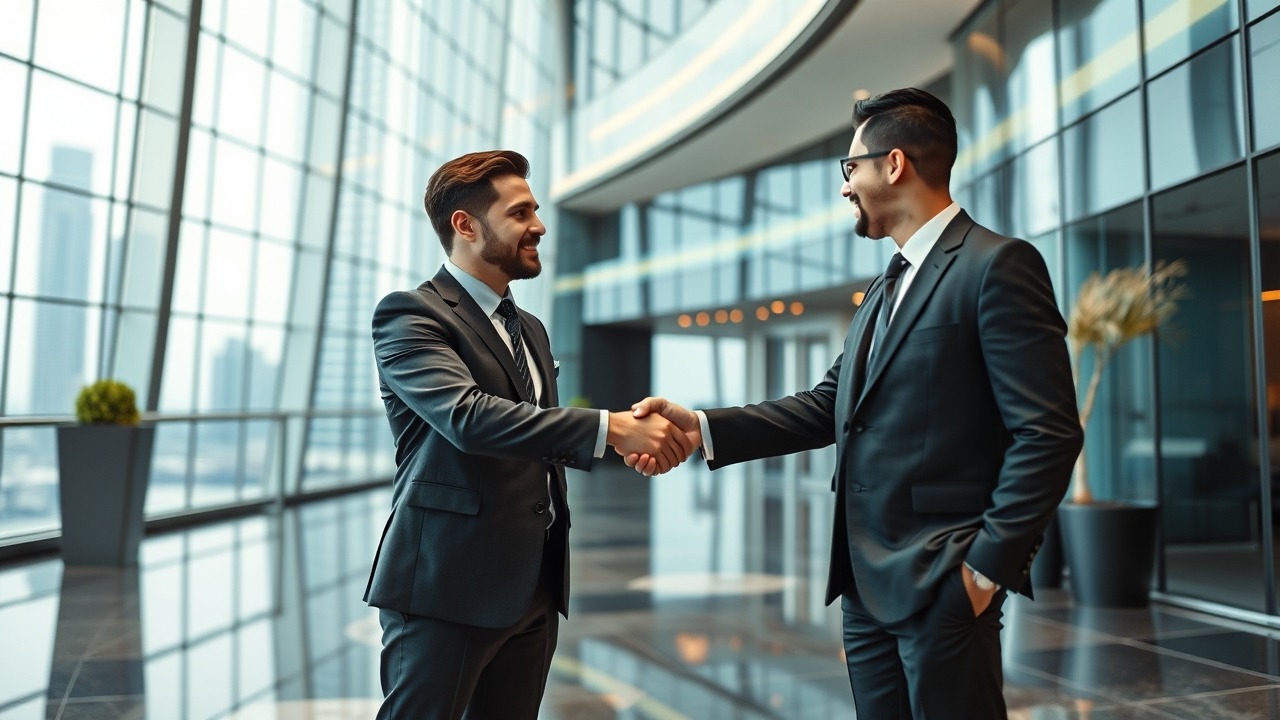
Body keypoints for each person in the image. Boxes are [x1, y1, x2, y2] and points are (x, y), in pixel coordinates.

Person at [626, 88, 1083, 719]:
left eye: (851, 168)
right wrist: (701, 425)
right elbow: (826, 406)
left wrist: (983, 574)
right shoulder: (883, 289)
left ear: (893, 165)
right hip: (863, 587)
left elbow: (1049, 434)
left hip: (942, 582)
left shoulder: (997, 266)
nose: (845, 187)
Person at [367, 150, 698, 720]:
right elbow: (469, 417)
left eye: (536, 211)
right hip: (446, 585)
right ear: (465, 226)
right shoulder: (411, 315)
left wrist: (625, 440)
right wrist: (609, 428)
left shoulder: (532, 330)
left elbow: (533, 436)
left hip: (533, 587)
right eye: (520, 213)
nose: (539, 226)